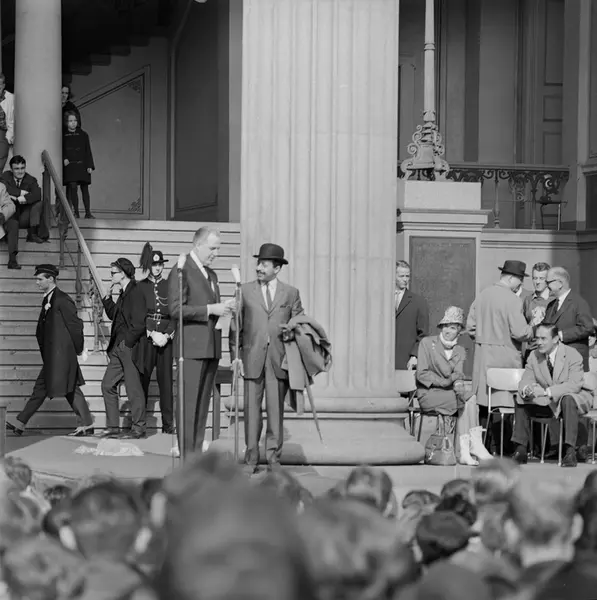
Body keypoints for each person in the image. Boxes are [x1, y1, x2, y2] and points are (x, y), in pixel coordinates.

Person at [230, 243, 304, 475]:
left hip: (277, 361)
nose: (259, 268)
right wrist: (235, 357)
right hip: (251, 359)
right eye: (258, 263)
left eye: (265, 264)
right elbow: (235, 328)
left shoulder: (291, 293)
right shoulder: (244, 291)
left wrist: (292, 332)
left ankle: (273, 459)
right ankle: (251, 459)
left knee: (275, 413)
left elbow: (300, 324)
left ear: (277, 268)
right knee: (251, 413)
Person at [5, 264, 94, 437]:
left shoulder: (62, 299)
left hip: (61, 355)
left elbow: (75, 326)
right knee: (48, 388)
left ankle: (86, 424)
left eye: (40, 279)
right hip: (54, 356)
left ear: (51, 279)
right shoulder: (49, 298)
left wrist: (79, 349)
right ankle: (20, 422)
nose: (37, 282)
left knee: (69, 388)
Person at [167, 227, 233, 456]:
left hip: (210, 347)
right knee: (189, 405)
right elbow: (176, 309)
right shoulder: (182, 270)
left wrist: (225, 310)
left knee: (202, 406)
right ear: (198, 245)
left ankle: (195, 454)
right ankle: (187, 456)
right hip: (191, 347)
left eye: (218, 249)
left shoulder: (211, 275)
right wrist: (210, 309)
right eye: (213, 248)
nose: (216, 254)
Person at [466, 260, 543, 450]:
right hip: (505, 358)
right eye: (520, 280)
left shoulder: (482, 295)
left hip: (482, 356)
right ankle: (503, 447)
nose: (521, 284)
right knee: (506, 403)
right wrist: (535, 326)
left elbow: (471, 327)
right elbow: (520, 332)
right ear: (511, 278)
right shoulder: (512, 300)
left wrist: (485, 338)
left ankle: (482, 446)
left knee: (485, 403)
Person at [417, 306, 492, 466]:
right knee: (464, 402)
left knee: (471, 399)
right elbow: (422, 374)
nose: (447, 331)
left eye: (452, 327)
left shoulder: (459, 350)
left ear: (459, 331)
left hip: (450, 393)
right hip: (429, 393)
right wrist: (446, 381)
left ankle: (469, 447)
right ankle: (468, 448)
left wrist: (457, 384)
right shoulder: (427, 343)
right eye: (445, 326)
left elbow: (458, 374)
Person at [512, 323, 592, 467]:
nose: (539, 342)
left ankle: (570, 451)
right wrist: (527, 390)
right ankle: (521, 449)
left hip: (574, 397)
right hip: (549, 401)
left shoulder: (572, 354)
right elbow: (526, 380)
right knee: (521, 398)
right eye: (537, 338)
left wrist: (546, 392)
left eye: (543, 338)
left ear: (555, 339)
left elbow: (574, 384)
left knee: (568, 399)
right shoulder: (534, 355)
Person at [100, 258, 148, 439]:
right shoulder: (123, 292)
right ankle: (113, 427)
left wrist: (127, 343)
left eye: (113, 272)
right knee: (107, 385)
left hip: (129, 347)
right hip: (118, 348)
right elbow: (116, 315)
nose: (111, 275)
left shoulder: (136, 291)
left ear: (123, 274)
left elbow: (139, 322)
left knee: (133, 388)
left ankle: (139, 428)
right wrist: (107, 298)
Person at [138, 243, 175, 434]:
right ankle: (139, 424)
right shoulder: (140, 286)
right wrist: (151, 332)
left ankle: (168, 425)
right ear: (149, 265)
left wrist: (167, 335)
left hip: (166, 340)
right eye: (154, 265)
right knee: (142, 380)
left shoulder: (170, 286)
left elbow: (175, 313)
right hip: (147, 338)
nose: (158, 268)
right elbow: (138, 314)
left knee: (166, 383)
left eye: (160, 264)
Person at [543, 266, 593, 371]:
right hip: (555, 363)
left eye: (548, 282)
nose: (546, 286)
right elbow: (545, 327)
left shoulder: (579, 302)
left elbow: (587, 327)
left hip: (573, 363)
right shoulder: (551, 306)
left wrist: (562, 335)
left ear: (560, 283)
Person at [1, 155, 44, 270]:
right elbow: (4, 189)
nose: (20, 171)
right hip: (8, 215)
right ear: (11, 169)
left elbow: (37, 194)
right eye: (17, 168)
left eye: (22, 168)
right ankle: (12, 260)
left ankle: (33, 232)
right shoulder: (5, 176)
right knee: (13, 224)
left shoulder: (31, 179)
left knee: (39, 203)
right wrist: (21, 192)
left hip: (23, 214)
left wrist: (22, 199)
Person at [395, 260, 429, 370]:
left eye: (407, 276)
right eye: (401, 276)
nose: (405, 279)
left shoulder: (418, 302)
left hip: (406, 361)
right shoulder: (382, 299)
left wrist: (415, 355)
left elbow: (423, 333)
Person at [63, 110, 95, 219]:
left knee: (84, 188)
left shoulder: (83, 134)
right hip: (70, 166)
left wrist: (89, 165)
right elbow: (60, 149)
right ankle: (76, 212)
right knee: (72, 188)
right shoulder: (63, 136)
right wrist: (64, 158)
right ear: (66, 122)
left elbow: (88, 151)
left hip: (82, 165)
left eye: (75, 120)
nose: (73, 123)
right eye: (70, 121)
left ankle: (88, 212)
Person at [0, 73, 14, 173]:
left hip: (3, 132)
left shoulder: (10, 98)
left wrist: (10, 135)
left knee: (2, 155)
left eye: (0, 84)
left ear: (4, 85)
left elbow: (13, 118)